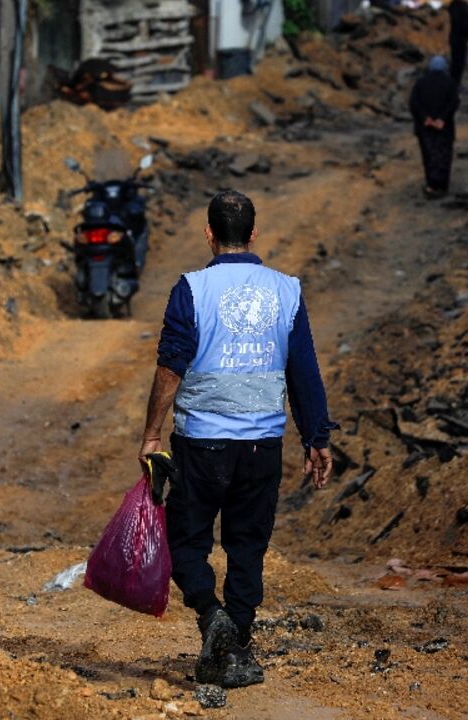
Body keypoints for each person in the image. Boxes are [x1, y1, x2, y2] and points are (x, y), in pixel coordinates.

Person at [139, 190, 336, 689]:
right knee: (247, 547)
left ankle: (213, 618)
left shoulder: (191, 288)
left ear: (208, 234)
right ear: (253, 234)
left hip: (201, 443)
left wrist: (151, 433)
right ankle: (236, 646)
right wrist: (317, 437)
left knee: (186, 542)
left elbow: (170, 367)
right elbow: (304, 371)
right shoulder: (286, 290)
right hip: (261, 446)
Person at [409, 56, 460, 198]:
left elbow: (414, 103)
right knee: (444, 154)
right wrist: (441, 119)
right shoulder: (450, 83)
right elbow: (454, 103)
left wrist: (426, 118)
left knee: (428, 155)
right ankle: (442, 186)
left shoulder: (420, 83)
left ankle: (431, 184)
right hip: (444, 127)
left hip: (425, 128)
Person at [447, 0, 468, 88]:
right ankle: (455, 84)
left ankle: (454, 83)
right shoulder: (461, 8)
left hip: (456, 38)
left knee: (456, 63)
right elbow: (465, 24)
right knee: (458, 64)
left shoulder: (454, 7)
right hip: (460, 39)